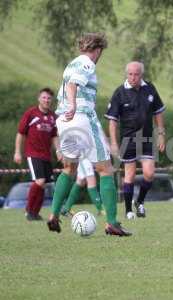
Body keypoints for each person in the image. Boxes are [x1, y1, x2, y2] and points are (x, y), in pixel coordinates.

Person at [47, 32, 131, 236]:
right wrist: (74, 105)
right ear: (98, 50)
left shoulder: (71, 63)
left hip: (63, 121)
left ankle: (54, 215)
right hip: (81, 118)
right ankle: (112, 223)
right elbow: (72, 84)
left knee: (69, 168)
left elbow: (67, 83)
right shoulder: (87, 63)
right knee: (105, 169)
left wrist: (69, 107)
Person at [105, 61, 166, 219]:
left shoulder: (150, 89)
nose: (133, 77)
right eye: (130, 74)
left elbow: (158, 112)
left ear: (141, 74)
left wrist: (161, 134)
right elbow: (112, 120)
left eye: (136, 74)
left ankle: (139, 202)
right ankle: (128, 211)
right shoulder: (120, 92)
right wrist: (113, 142)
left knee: (149, 173)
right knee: (129, 175)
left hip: (146, 139)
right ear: (127, 74)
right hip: (128, 139)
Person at [14, 87, 61, 221]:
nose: (46, 100)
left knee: (44, 183)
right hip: (33, 154)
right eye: (44, 97)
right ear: (39, 99)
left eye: (49, 98)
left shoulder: (53, 117)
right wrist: (17, 152)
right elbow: (20, 133)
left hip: (46, 155)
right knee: (39, 181)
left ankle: (35, 213)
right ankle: (29, 210)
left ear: (51, 100)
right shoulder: (31, 113)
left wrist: (58, 151)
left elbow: (54, 136)